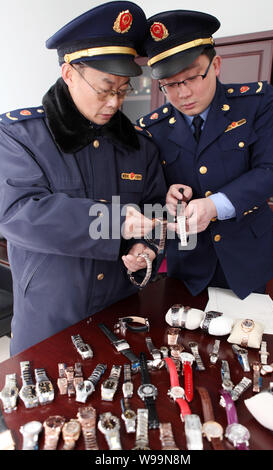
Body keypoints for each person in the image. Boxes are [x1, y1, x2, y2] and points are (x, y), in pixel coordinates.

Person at [0, 1, 166, 355]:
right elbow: (18, 214)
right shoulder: (19, 136)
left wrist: (145, 249)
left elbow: (156, 212)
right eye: (105, 88)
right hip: (49, 319)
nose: (114, 102)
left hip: (118, 313)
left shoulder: (140, 146)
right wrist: (116, 223)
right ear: (70, 73)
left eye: (123, 90)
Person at [137, 9, 273, 300]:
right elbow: (147, 194)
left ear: (216, 65)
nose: (183, 93)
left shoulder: (254, 103)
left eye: (192, 77)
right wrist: (166, 196)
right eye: (169, 84)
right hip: (188, 266)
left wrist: (214, 206)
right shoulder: (152, 127)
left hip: (246, 262)